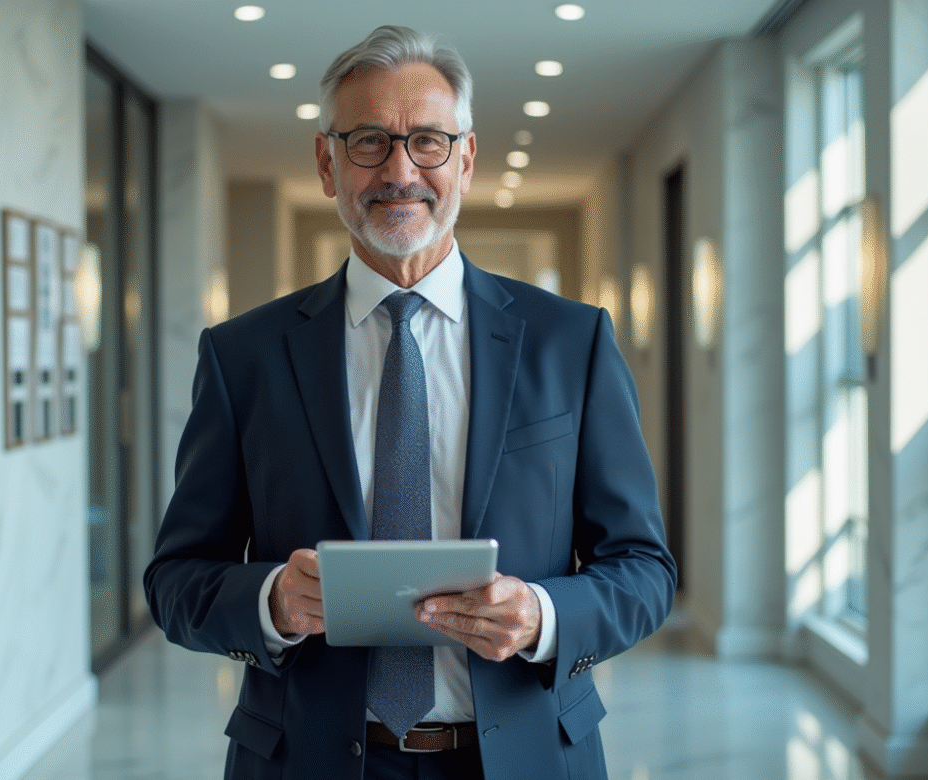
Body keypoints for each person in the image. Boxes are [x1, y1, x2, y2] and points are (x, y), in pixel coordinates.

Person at [144, 24, 677, 780]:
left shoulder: (572, 341)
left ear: (466, 159)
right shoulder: (243, 357)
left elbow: (644, 568)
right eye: (368, 142)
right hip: (306, 760)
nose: (400, 170)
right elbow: (175, 579)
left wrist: (544, 616)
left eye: (427, 140)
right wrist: (269, 601)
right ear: (327, 164)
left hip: (523, 757)